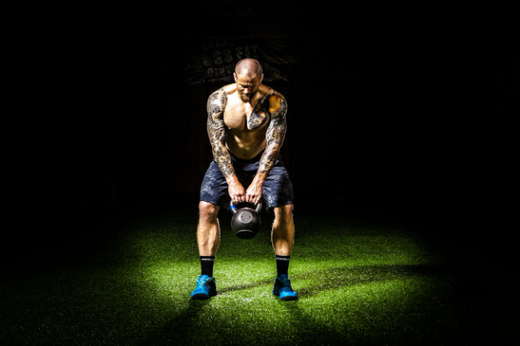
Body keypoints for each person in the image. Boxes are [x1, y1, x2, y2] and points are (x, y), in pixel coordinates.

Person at [191, 58, 297, 301]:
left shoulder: (274, 101)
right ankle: (206, 278)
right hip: (229, 159)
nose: (247, 91)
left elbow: (274, 144)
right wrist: (232, 181)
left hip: (264, 160)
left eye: (252, 85)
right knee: (206, 208)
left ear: (261, 78)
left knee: (285, 210)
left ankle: (282, 280)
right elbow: (217, 144)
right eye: (242, 86)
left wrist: (258, 181)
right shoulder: (219, 99)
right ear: (234, 77)